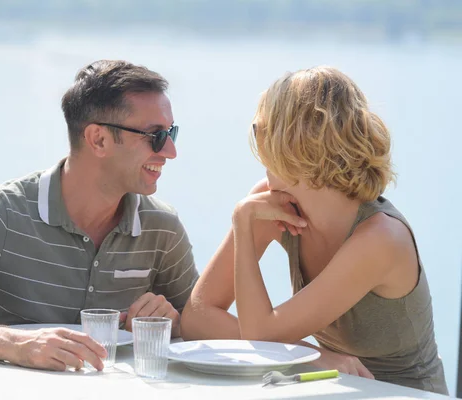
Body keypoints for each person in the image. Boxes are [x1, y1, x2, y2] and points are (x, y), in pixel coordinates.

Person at [0, 60, 198, 372]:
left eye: (172, 133)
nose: (170, 151)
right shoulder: (1, 215)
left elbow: (205, 328)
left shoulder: (162, 229)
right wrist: (16, 345)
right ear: (99, 140)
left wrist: (175, 323)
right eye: (155, 136)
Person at [180, 66, 447, 394]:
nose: (257, 134)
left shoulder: (380, 239)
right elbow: (196, 317)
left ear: (293, 141)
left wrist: (242, 221)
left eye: (265, 126)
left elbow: (260, 336)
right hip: (330, 389)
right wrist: (315, 356)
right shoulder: (269, 204)